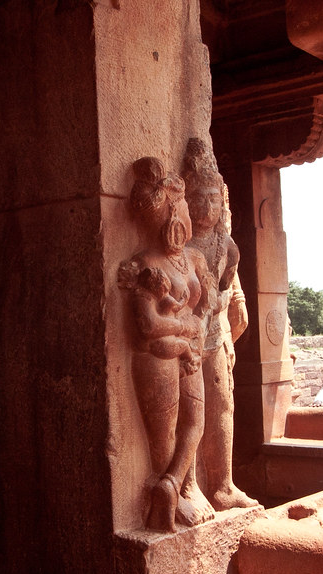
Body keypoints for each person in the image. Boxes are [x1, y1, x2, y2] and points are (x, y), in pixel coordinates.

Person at [120, 155, 215, 532]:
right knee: (164, 432)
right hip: (158, 357)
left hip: (188, 351)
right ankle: (169, 500)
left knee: (196, 422)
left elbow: (208, 303)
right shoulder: (145, 264)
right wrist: (186, 327)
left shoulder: (192, 259)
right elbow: (146, 326)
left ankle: (176, 484)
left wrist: (196, 331)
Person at [182, 139, 256, 511]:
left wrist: (227, 327)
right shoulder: (179, 243)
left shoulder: (227, 246)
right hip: (187, 338)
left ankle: (223, 484)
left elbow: (228, 291)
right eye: (197, 199)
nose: (205, 208)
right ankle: (189, 484)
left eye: (212, 198)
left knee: (222, 404)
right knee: (191, 413)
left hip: (216, 334)